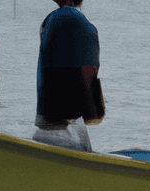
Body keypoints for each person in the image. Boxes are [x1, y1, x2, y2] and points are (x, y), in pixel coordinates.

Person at [34, 0, 103, 152]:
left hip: (57, 111)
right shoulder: (84, 23)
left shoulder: (60, 17)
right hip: (76, 111)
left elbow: (48, 62)